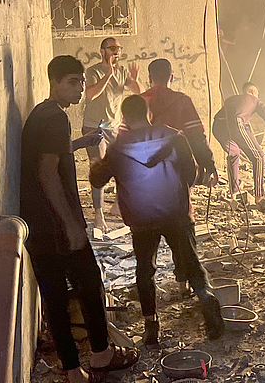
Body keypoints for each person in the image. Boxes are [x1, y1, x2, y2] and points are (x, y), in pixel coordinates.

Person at [20, 56, 139, 381]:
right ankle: (101, 354)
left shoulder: (41, 114)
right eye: (72, 82)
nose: (79, 88)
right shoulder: (57, 118)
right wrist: (71, 224)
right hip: (58, 228)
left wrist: (79, 144)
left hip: (36, 227)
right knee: (89, 284)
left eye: (82, 82)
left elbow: (49, 154)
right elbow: (46, 173)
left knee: (55, 298)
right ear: (54, 82)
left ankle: (73, 370)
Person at [90, 95, 226, 346]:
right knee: (192, 262)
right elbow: (190, 175)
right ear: (148, 113)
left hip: (141, 218)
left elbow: (97, 180)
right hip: (176, 213)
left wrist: (97, 158)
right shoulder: (175, 136)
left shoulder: (118, 148)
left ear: (125, 118)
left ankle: (151, 327)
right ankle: (206, 298)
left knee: (145, 270)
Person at [142, 58, 220, 296]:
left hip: (146, 177)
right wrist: (209, 165)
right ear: (171, 77)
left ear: (149, 77)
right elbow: (197, 137)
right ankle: (184, 283)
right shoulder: (182, 101)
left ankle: (148, 297)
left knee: (147, 239)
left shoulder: (139, 102)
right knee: (183, 230)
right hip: (176, 176)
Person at [82, 37, 141, 231]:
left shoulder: (122, 72)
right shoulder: (93, 71)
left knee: (122, 165)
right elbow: (91, 94)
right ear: (102, 51)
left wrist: (135, 79)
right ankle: (99, 215)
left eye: (119, 48)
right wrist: (108, 74)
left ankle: (118, 206)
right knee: (98, 167)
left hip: (114, 127)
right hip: (94, 127)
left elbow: (139, 92)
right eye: (112, 48)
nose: (117, 52)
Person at [212, 82, 265, 203]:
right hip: (236, 123)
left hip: (218, 125)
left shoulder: (233, 99)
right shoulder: (256, 101)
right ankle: (259, 196)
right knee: (258, 156)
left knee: (234, 153)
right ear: (253, 92)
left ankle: (233, 193)